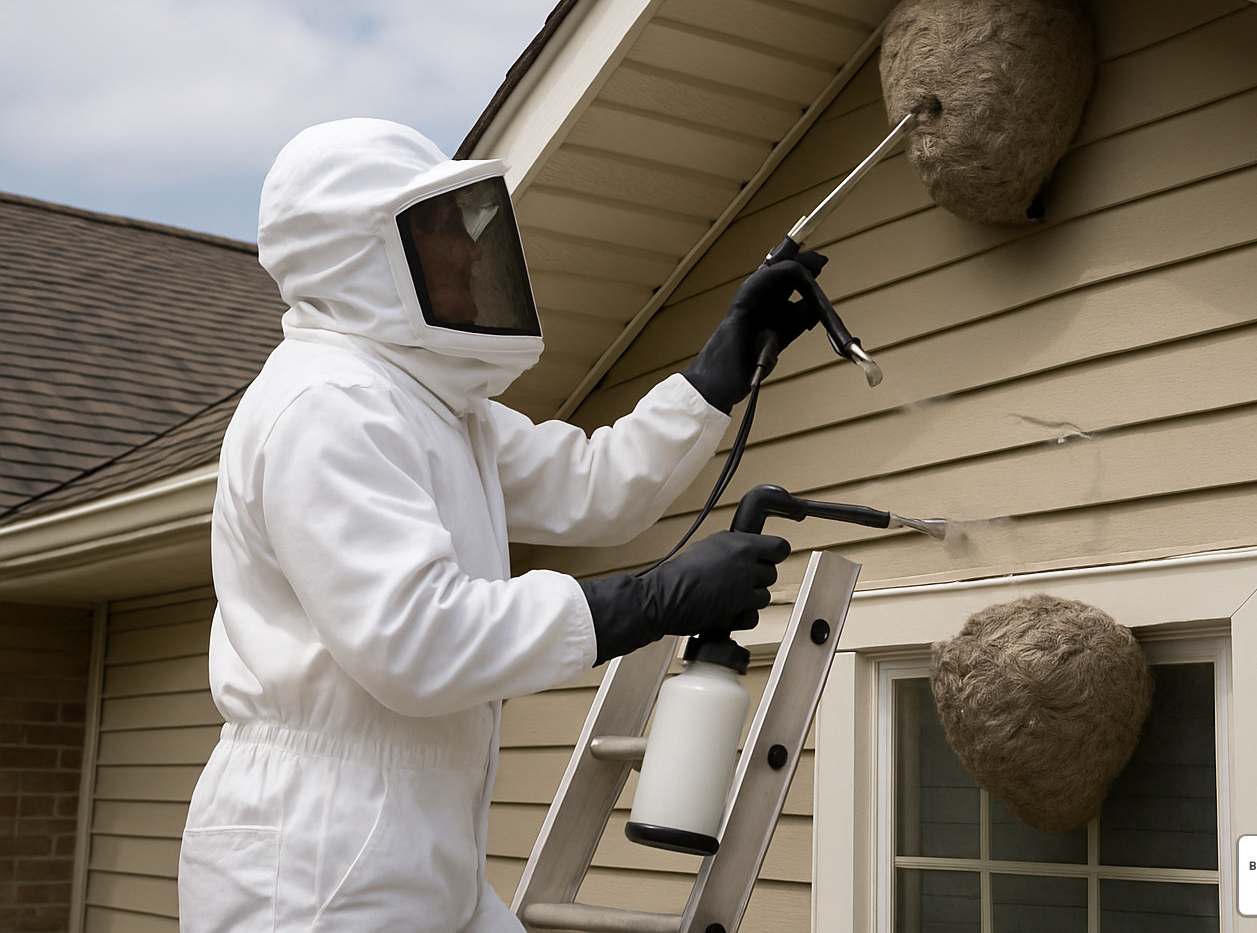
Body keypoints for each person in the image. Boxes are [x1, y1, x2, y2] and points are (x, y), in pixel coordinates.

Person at [178, 118, 828, 933]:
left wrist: (714, 373)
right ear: (364, 253)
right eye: (444, 228)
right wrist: (657, 598)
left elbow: (596, 487)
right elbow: (416, 641)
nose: (474, 251)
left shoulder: (436, 408)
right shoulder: (328, 406)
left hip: (416, 839)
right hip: (319, 858)